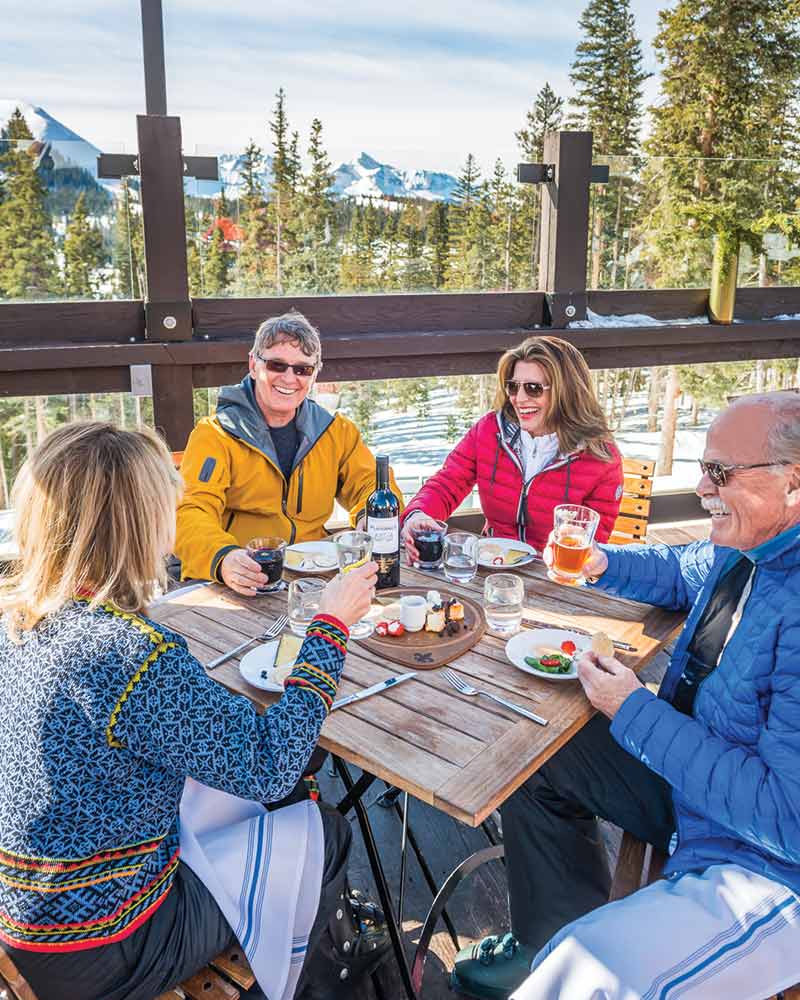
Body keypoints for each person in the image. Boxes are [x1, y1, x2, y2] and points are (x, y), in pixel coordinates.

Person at [0, 422, 390, 1000]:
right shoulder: (126, 654)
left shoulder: (16, 622)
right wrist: (330, 627)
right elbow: (273, 760)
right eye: (166, 503)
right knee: (320, 826)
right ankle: (310, 984)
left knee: (255, 799)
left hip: (26, 914)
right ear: (137, 524)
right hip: (107, 944)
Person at [451, 392, 800, 1000]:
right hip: (691, 786)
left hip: (757, 860)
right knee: (539, 750)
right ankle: (542, 937)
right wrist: (597, 560)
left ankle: (566, 951)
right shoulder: (746, 548)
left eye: (719, 472)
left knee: (585, 974)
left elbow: (787, 819)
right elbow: (676, 567)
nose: (699, 488)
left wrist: (633, 710)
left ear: (792, 483)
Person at [175, 310, 403, 596]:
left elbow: (370, 484)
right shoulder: (215, 435)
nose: (288, 378)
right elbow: (190, 512)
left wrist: (369, 519)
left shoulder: (335, 431)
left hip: (316, 577)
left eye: (302, 369)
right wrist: (222, 558)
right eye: (276, 365)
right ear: (252, 364)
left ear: (314, 374)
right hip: (242, 580)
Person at [400, 335, 622, 560]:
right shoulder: (490, 431)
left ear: (567, 392)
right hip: (492, 565)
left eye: (534, 388)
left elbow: (591, 547)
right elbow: (447, 483)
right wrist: (418, 516)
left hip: (555, 578)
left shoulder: (600, 458)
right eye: (513, 387)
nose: (519, 398)